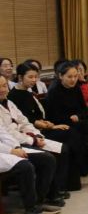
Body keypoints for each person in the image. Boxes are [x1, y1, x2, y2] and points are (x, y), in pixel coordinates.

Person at [8, 62, 73, 198]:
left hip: (36, 131)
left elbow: (30, 119)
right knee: (62, 145)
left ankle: (61, 186)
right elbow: (27, 121)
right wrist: (49, 127)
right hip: (26, 135)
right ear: (20, 77)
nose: (34, 80)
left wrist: (45, 125)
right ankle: (52, 191)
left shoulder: (27, 92)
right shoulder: (14, 96)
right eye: (30, 77)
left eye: (36, 77)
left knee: (69, 139)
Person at [0, 76, 62, 214]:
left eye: (4, 85)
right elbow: (5, 133)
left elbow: (24, 122)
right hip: (8, 147)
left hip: (15, 143)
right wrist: (15, 148)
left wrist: (36, 135)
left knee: (50, 157)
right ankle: (32, 208)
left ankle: (41, 200)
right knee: (31, 164)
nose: (3, 89)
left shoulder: (9, 103)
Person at [44, 61, 88, 184]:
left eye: (75, 76)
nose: (73, 80)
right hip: (61, 124)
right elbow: (53, 116)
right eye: (69, 77)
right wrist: (71, 118)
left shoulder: (76, 88)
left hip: (76, 121)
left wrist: (77, 116)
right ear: (60, 76)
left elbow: (84, 110)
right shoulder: (54, 91)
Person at [0, 129, 57, 214]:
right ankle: (31, 209)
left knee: (47, 160)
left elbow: (4, 133)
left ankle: (38, 203)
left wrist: (16, 147)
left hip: (6, 150)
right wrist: (10, 150)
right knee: (25, 167)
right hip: (4, 151)